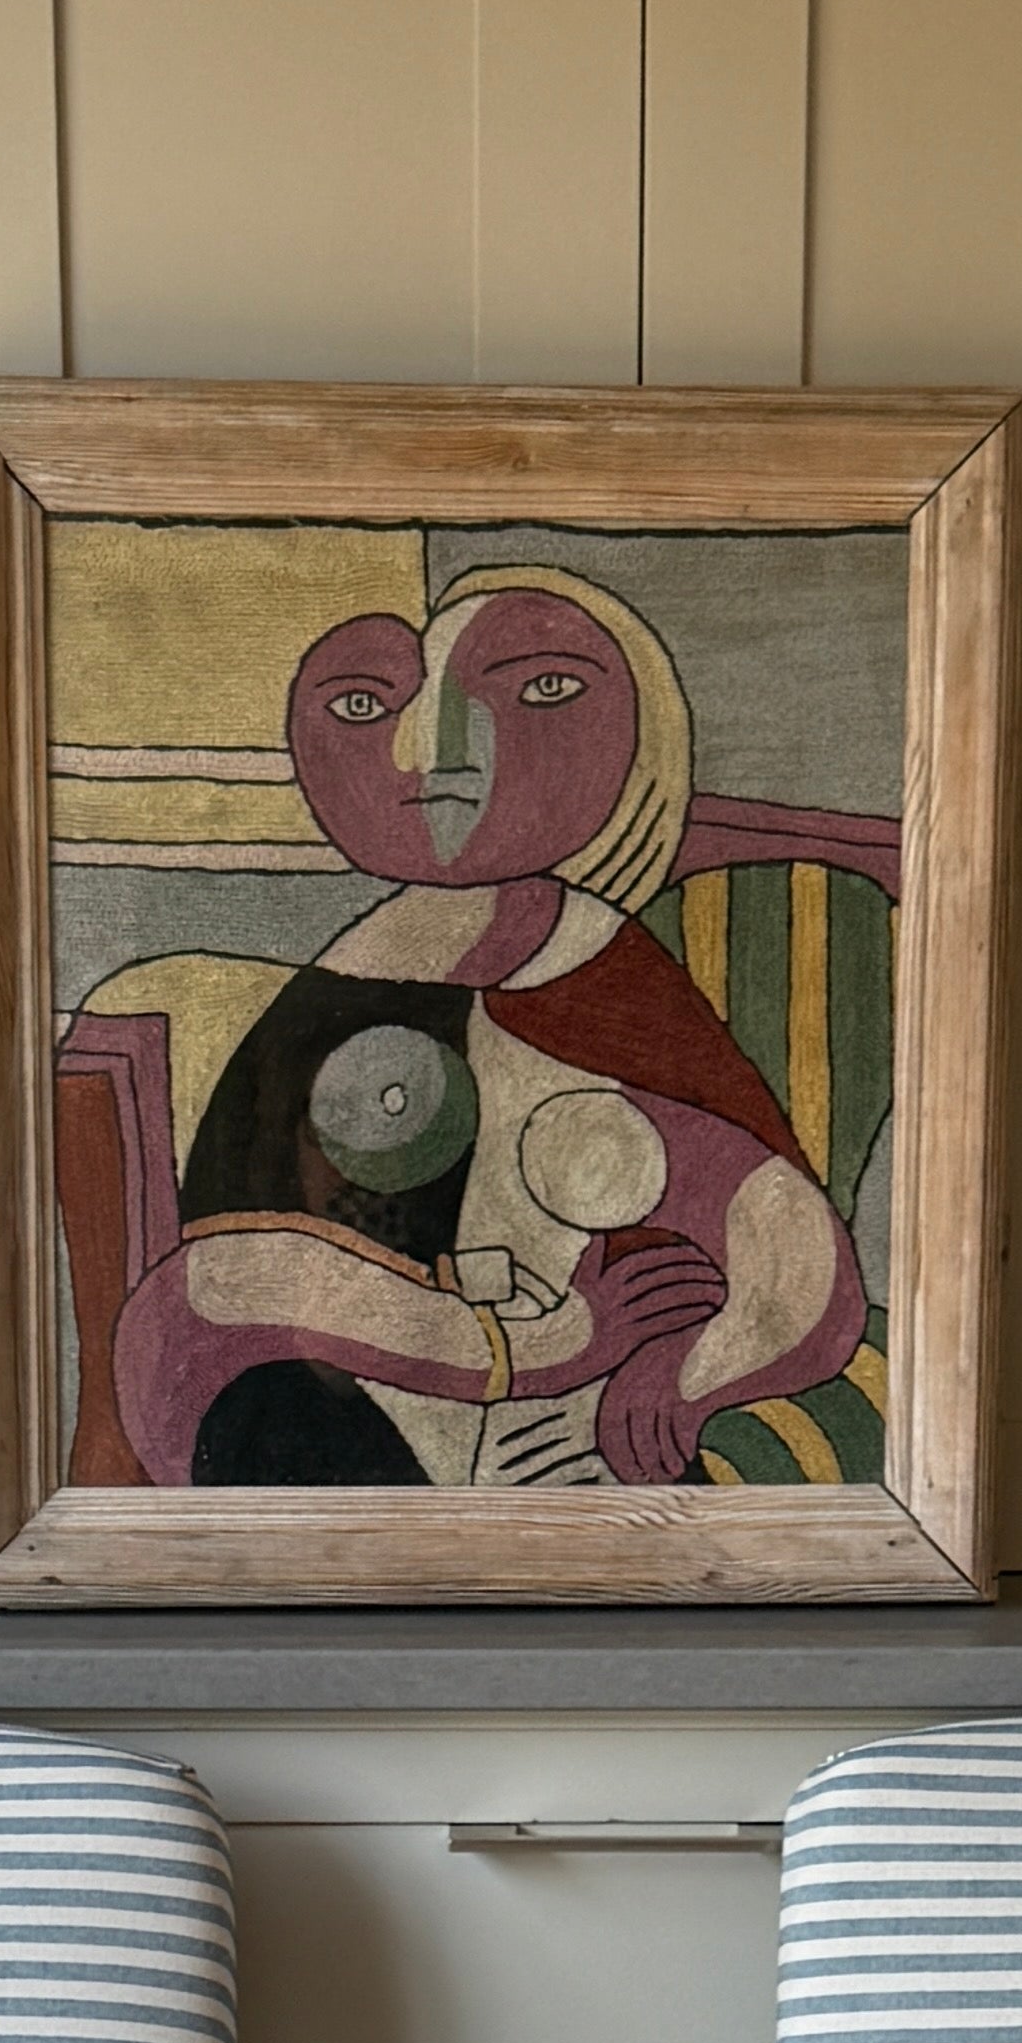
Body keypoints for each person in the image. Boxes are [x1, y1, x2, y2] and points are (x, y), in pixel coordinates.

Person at [94, 571, 867, 1493]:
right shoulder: (344, 987)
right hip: (345, 1429)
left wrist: (689, 1375)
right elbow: (221, 1288)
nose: (437, 756)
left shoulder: (601, 977)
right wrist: (542, 1345)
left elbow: (795, 1258)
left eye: (543, 689)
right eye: (364, 705)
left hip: (570, 1452)